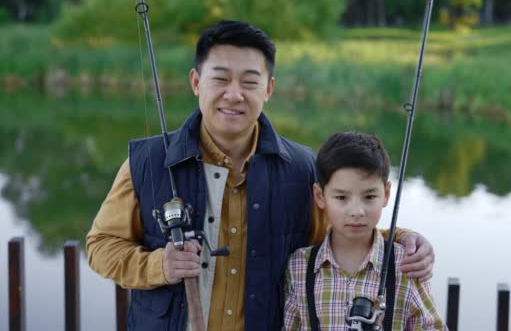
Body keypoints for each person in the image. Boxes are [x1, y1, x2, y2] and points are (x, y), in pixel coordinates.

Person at [86, 20, 436, 331]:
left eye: (250, 82)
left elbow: (338, 232)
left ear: (268, 89)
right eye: (220, 79)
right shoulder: (146, 161)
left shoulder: (302, 168)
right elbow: (100, 247)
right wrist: (158, 265)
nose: (234, 94)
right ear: (196, 82)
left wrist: (401, 238)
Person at [284, 131, 446, 330]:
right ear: (320, 196)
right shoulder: (299, 266)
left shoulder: (406, 266)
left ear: (386, 194)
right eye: (341, 198)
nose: (356, 211)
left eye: (369, 197)